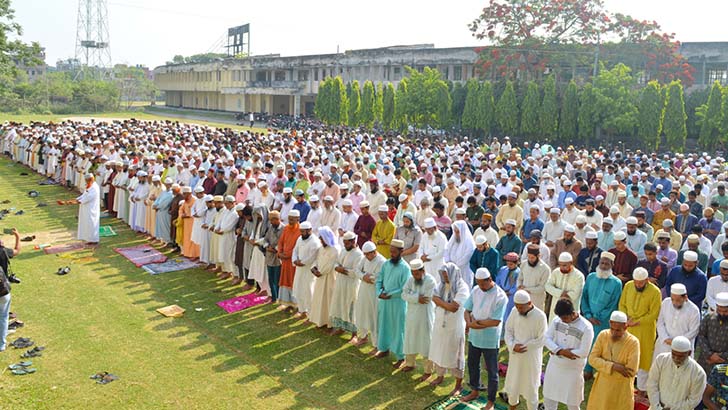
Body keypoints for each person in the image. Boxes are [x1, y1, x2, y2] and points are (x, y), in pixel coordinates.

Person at [462, 267, 507, 408]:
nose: (481, 286)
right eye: (478, 283)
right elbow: (467, 310)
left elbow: (495, 321)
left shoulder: (500, 296)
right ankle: (475, 390)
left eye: (483, 283)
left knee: (492, 370)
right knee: (473, 365)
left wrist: (474, 324)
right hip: (474, 338)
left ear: (490, 280)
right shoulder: (476, 290)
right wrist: (469, 323)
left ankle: (490, 400)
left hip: (490, 339)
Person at [542, 298, 594, 410]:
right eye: (561, 318)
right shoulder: (557, 320)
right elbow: (546, 338)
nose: (563, 320)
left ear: (573, 313)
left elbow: (584, 352)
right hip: (555, 365)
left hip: (573, 369)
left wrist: (558, 351)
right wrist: (560, 351)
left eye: (565, 318)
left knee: (573, 403)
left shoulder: (586, 327)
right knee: (549, 398)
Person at [427, 263, 470, 393]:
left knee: (456, 354)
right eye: (443, 275)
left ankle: (458, 385)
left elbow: (454, 307)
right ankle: (440, 376)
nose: (445, 277)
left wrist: (440, 302)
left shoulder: (462, 287)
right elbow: (433, 297)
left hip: (455, 326)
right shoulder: (442, 285)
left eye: (446, 274)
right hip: (440, 323)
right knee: (439, 350)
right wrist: (444, 304)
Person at [618, 267, 662, 394]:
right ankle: (625, 383)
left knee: (644, 358)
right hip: (628, 326)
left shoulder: (655, 292)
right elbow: (622, 304)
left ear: (647, 280)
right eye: (636, 282)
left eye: (641, 283)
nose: (638, 285)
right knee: (626, 354)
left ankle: (642, 388)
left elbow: (654, 314)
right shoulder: (628, 285)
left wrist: (638, 321)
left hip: (645, 329)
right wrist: (625, 317)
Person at [586, 310, 640, 410]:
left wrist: (602, 363)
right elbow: (592, 359)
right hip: (602, 388)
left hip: (621, 390)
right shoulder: (603, 335)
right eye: (612, 329)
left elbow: (631, 370)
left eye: (618, 330)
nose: (614, 333)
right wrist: (614, 366)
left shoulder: (633, 342)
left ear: (625, 327)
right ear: (609, 324)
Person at [503, 290, 547, 410]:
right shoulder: (514, 311)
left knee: (531, 389)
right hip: (516, 356)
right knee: (513, 385)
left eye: (521, 307)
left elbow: (542, 338)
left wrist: (524, 347)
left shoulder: (540, 316)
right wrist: (512, 346)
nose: (519, 310)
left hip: (531, 358)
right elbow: (508, 330)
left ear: (529, 303)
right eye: (517, 306)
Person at [581, 252, 622, 380]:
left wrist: (598, 317)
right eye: (602, 263)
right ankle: (585, 369)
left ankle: (594, 369)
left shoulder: (616, 283)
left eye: (606, 264)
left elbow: (613, 304)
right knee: (585, 342)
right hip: (588, 319)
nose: (603, 266)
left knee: (599, 345)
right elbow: (584, 297)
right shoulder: (591, 277)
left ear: (612, 265)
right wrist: (588, 314)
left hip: (602, 322)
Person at [374, 239, 411, 367]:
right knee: (384, 324)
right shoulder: (386, 264)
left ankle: (401, 356)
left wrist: (389, 294)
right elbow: (379, 280)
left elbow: (404, 288)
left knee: (398, 328)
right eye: (391, 251)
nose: (392, 254)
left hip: (397, 302)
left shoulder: (405, 268)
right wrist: (379, 291)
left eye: (394, 252)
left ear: (401, 252)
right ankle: (384, 349)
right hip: (384, 301)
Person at [646, 336, 706, 410]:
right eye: (673, 354)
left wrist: (672, 409)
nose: (676, 358)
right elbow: (652, 384)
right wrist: (657, 407)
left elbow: (694, 400)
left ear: (689, 353)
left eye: (680, 356)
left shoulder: (698, 373)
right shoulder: (661, 360)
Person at [400, 259, 436, 374]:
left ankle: (428, 370)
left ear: (423, 270)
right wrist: (416, 298)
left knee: (426, 341)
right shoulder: (410, 280)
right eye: (413, 273)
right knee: (410, 338)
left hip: (425, 315)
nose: (415, 276)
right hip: (411, 315)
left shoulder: (430, 281)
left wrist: (412, 296)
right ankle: (410, 363)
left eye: (417, 273)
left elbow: (427, 298)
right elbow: (403, 294)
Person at [329, 231, 363, 338]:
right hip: (340, 282)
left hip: (351, 284)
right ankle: (341, 328)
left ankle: (354, 334)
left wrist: (342, 270)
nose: (345, 245)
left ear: (353, 241)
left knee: (352, 306)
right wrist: (337, 267)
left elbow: (356, 272)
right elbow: (336, 262)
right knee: (340, 304)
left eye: (347, 243)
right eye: (344, 243)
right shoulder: (343, 250)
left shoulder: (359, 254)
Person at [654, 283, 700, 358]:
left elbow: (694, 331)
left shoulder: (694, 310)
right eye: (672, 299)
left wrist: (676, 342)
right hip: (664, 344)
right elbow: (660, 323)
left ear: (685, 297)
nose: (674, 303)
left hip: (682, 347)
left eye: (678, 300)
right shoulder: (666, 302)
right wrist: (665, 338)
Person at [353, 241, 385, 348]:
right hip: (363, 290)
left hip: (374, 292)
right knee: (362, 312)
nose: (366, 257)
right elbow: (356, 270)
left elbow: (380, 278)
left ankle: (376, 344)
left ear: (374, 252)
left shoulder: (382, 261)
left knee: (374, 316)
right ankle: (363, 336)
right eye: (365, 254)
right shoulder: (365, 258)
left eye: (368, 254)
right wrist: (363, 277)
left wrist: (369, 278)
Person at [309, 226, 340, 329]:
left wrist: (320, 272)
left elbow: (331, 265)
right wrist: (313, 268)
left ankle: (331, 324)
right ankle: (320, 321)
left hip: (330, 279)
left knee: (329, 301)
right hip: (320, 278)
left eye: (322, 238)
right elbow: (316, 260)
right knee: (319, 300)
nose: (320, 240)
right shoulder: (321, 248)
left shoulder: (335, 249)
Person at [291, 221, 321, 320]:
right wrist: (295, 260)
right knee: (299, 289)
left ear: (309, 230)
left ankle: (311, 314)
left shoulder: (315, 241)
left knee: (308, 291)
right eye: (301, 231)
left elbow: (312, 257)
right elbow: (295, 250)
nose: (302, 234)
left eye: (303, 232)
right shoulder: (300, 238)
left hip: (309, 270)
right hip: (300, 269)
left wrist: (302, 262)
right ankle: (302, 310)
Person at [545, 252, 585, 322]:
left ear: (571, 263)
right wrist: (561, 293)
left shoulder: (579, 276)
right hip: (555, 311)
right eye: (560, 265)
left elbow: (575, 294)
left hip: (571, 312)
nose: (562, 268)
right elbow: (547, 286)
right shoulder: (556, 272)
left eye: (564, 265)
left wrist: (561, 294)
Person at [0, 228, 21, 352]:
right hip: (3, 289)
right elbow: (17, 250)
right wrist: (17, 236)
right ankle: (1, 344)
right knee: (3, 316)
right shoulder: (3, 251)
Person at [697, 292, 728, 374]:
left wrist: (719, 357)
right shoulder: (708, 318)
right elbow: (701, 336)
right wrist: (709, 355)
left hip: (724, 363)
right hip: (705, 360)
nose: (722, 314)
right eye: (719, 310)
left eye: (725, 311)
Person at [517, 244, 550, 312]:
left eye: (532, 257)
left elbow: (542, 288)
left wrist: (526, 289)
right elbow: (519, 279)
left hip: (537, 300)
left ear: (538, 256)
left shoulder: (545, 269)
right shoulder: (524, 264)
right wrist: (519, 286)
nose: (530, 259)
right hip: (523, 299)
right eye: (528, 257)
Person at [445, 220, 476, 286]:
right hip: (451, 270)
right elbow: (446, 250)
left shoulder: (469, 243)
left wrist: (456, 266)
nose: (456, 233)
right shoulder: (453, 239)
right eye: (455, 231)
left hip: (464, 270)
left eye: (458, 231)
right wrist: (448, 263)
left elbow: (467, 257)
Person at [263, 210, 284, 303]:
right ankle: (273, 297)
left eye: (272, 220)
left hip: (278, 258)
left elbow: (284, 243)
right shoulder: (271, 227)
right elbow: (265, 239)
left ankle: (279, 297)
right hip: (269, 257)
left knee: (277, 279)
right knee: (270, 279)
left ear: (277, 219)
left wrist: (275, 249)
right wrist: (267, 246)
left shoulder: (284, 229)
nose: (271, 222)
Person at [76, 173, 100, 244]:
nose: (86, 182)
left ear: (92, 179)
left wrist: (80, 201)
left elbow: (89, 197)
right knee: (86, 223)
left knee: (92, 223)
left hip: (91, 209)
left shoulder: (95, 187)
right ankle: (89, 239)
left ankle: (94, 240)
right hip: (86, 207)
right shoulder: (89, 186)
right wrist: (77, 199)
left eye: (87, 180)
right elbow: (84, 194)